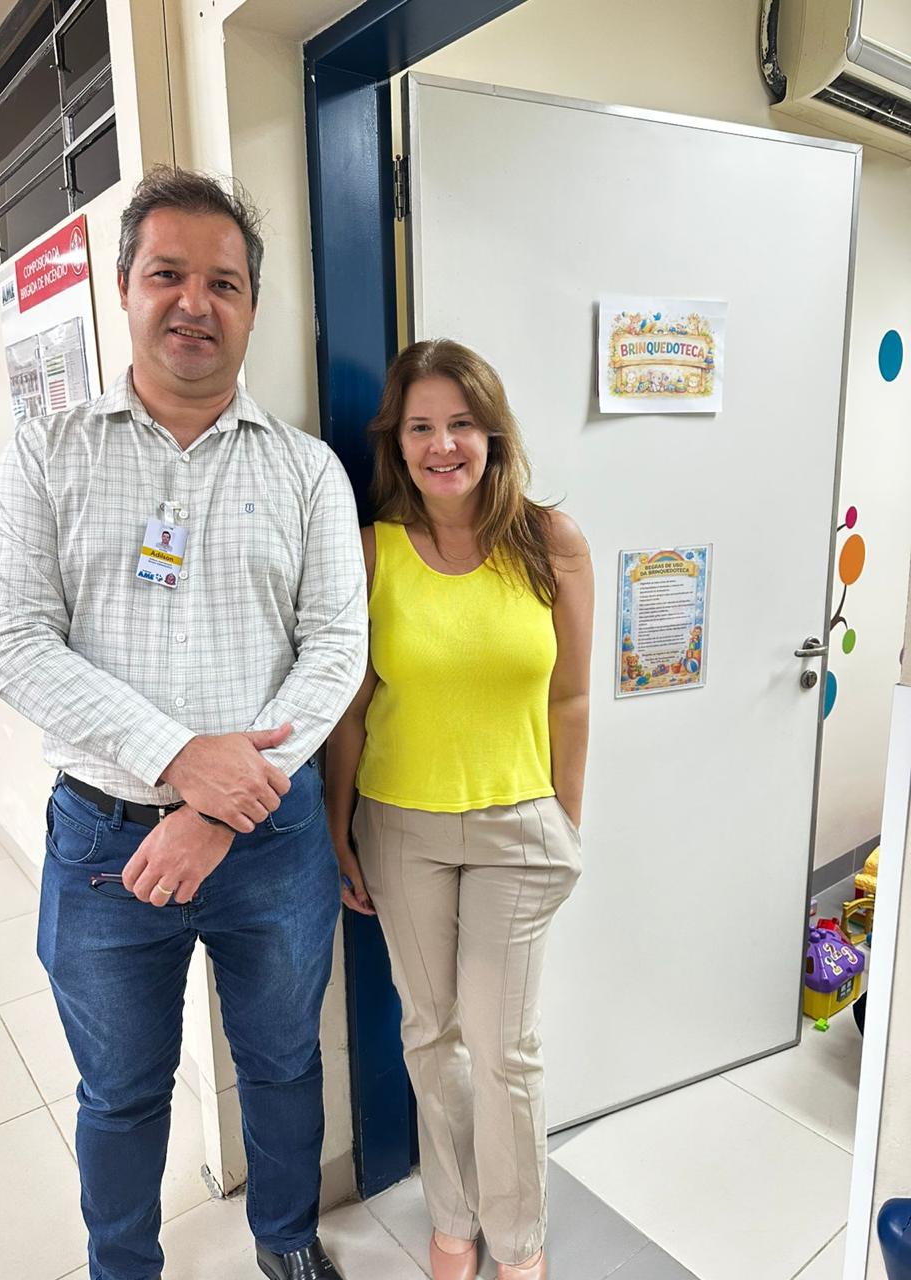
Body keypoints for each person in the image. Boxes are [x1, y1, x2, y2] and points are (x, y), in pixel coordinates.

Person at [0, 167, 367, 1280]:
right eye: (168, 275)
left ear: (252, 305)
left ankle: (286, 1239)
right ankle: (124, 1267)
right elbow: (11, 637)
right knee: (122, 1088)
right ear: (125, 289)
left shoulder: (306, 470)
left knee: (282, 1060)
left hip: (272, 840)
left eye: (224, 283)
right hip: (105, 841)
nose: (195, 302)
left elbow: (337, 647)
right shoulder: (50, 451)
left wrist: (222, 807)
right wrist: (181, 761)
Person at [326, 340, 593, 1280]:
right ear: (397, 444)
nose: (443, 445)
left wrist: (565, 818)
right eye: (421, 427)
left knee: (504, 1048)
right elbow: (352, 708)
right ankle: (452, 1220)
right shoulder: (373, 553)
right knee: (430, 1034)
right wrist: (338, 829)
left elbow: (570, 697)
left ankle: (519, 1242)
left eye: (461, 424)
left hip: (519, 828)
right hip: (401, 826)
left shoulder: (552, 543)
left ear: (493, 433)